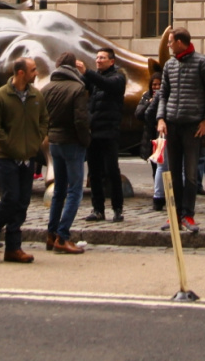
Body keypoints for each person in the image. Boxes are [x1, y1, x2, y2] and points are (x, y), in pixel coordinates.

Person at [155, 27, 205, 233]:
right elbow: (163, 93)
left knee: (191, 174)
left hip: (193, 126)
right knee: (173, 173)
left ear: (179, 42)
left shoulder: (203, 62)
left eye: (170, 41)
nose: (168, 45)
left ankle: (188, 214)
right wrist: (161, 118)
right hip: (173, 125)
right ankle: (174, 215)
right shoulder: (169, 65)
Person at [0, 57, 47, 263]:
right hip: (6, 157)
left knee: (22, 202)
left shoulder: (36, 95)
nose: (36, 73)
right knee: (10, 198)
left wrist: (36, 142)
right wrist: (9, 143)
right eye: (33, 70)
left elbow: (44, 120)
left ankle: (13, 247)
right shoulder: (0, 96)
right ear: (21, 73)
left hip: (28, 157)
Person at [41, 52, 91, 254]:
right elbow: (80, 119)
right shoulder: (77, 88)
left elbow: (42, 117)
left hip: (54, 141)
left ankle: (51, 234)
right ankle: (63, 235)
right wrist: (86, 140)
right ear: (74, 67)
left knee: (59, 190)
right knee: (75, 190)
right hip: (72, 142)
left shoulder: (46, 88)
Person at [81, 47, 127, 223]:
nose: (98, 60)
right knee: (94, 173)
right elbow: (80, 84)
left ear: (111, 61)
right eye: (97, 57)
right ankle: (98, 209)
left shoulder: (118, 78)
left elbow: (107, 85)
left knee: (111, 171)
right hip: (93, 132)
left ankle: (117, 208)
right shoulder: (92, 79)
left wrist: (88, 72)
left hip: (109, 132)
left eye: (102, 58)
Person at [136, 73, 165, 211]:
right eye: (154, 85)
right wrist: (150, 102)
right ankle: (158, 192)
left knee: (164, 167)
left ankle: (164, 194)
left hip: (163, 137)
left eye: (159, 84)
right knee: (155, 167)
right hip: (151, 137)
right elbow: (139, 114)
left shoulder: (165, 96)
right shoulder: (146, 96)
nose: (157, 87)